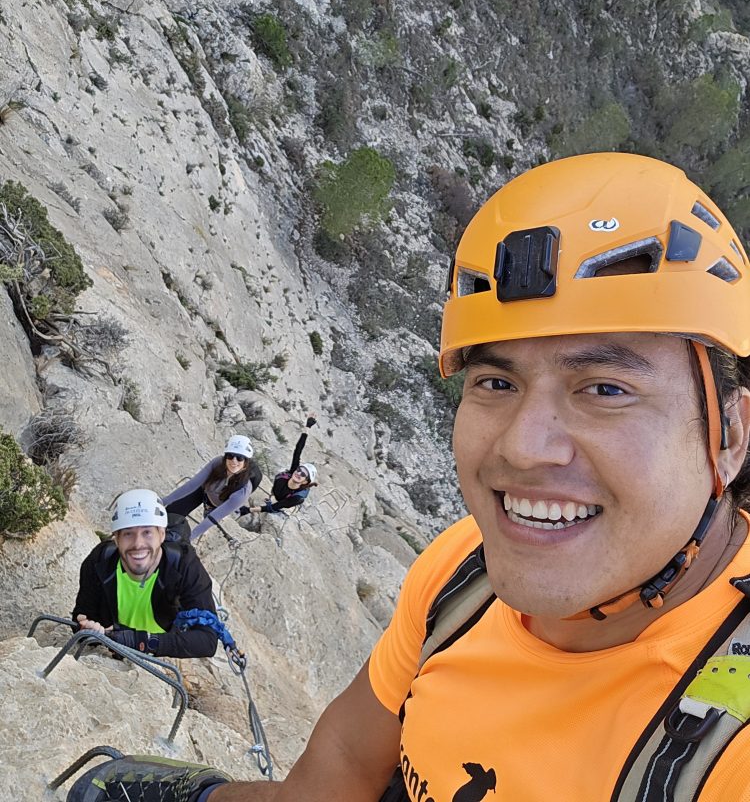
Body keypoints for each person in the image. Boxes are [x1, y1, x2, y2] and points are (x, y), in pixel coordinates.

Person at [67, 152, 750, 801]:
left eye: (605, 388)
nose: (523, 445)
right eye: (495, 380)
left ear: (732, 435)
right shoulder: (464, 574)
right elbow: (337, 774)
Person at [72, 488, 218, 659]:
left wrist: (143, 641)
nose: (138, 543)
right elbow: (82, 613)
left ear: (162, 534)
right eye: (128, 534)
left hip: (161, 652)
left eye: (147, 532)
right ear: (116, 538)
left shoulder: (183, 565)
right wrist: (88, 627)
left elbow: (207, 640)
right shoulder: (100, 562)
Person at [163, 435, 262, 541]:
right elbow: (192, 484)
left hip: (218, 505)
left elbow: (213, 518)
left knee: (205, 519)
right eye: (230, 455)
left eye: (240, 458)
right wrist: (164, 501)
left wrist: (189, 538)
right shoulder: (218, 463)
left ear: (246, 462)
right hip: (204, 490)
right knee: (171, 512)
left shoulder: (242, 491)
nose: (234, 461)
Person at [240, 416, 318, 517]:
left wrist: (249, 510)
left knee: (273, 507)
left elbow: (274, 507)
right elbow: (298, 450)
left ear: (305, 481)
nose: (298, 473)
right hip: (277, 490)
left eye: (303, 474)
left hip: (282, 500)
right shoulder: (292, 472)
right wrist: (307, 427)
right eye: (299, 470)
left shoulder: (296, 498)